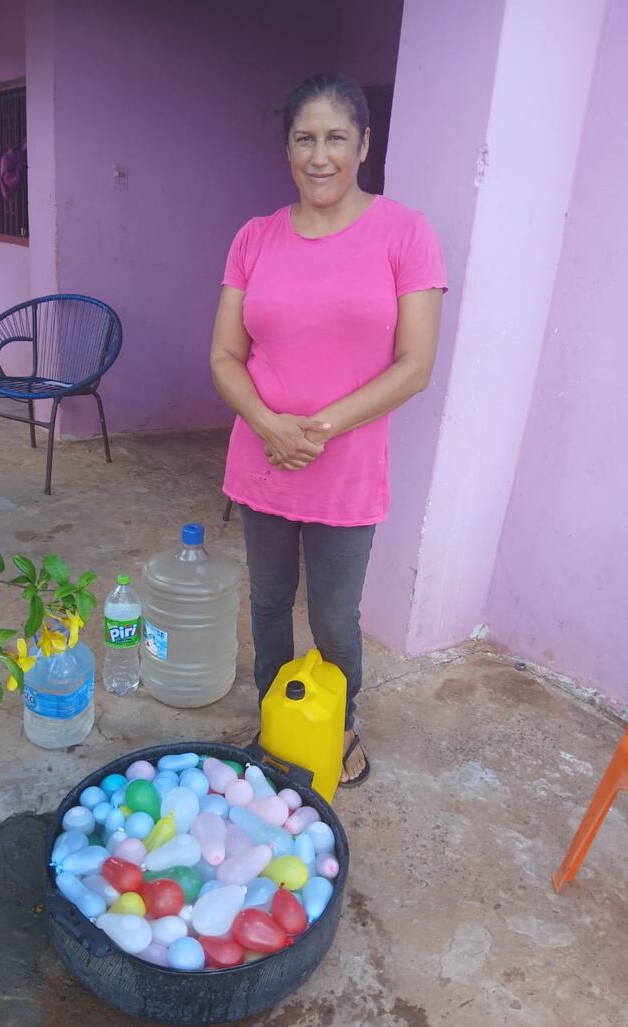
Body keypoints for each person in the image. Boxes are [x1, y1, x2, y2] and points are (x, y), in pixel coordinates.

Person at [210, 73, 446, 787]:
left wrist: (314, 428)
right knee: (269, 605)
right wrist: (265, 424)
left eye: (336, 138)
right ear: (287, 149)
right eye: (304, 139)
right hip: (262, 459)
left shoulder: (406, 233)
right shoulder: (255, 238)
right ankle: (276, 725)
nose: (320, 156)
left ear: (364, 143)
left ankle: (339, 727)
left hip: (344, 466)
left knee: (336, 620)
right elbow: (224, 355)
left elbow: (415, 366)